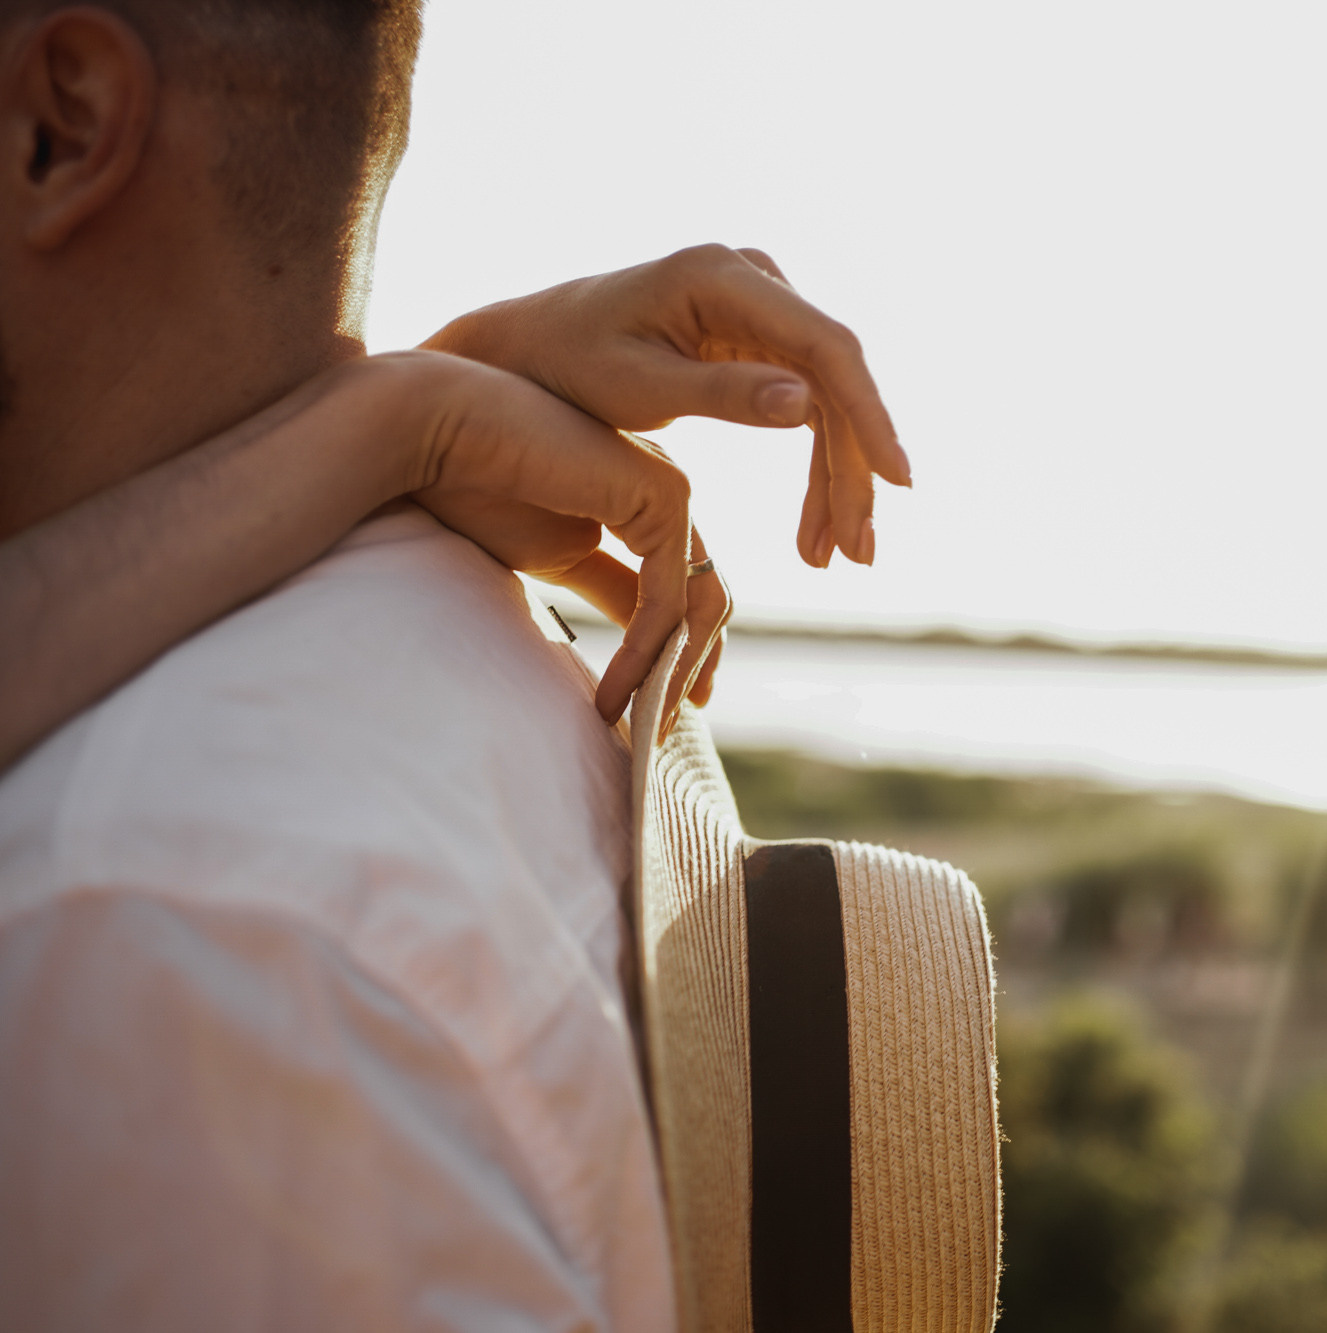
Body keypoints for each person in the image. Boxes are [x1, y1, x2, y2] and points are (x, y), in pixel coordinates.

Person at [0, 2, 908, 1328]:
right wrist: (396, 414)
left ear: (58, 126)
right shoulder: (471, 638)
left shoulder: (149, 918)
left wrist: (407, 415)